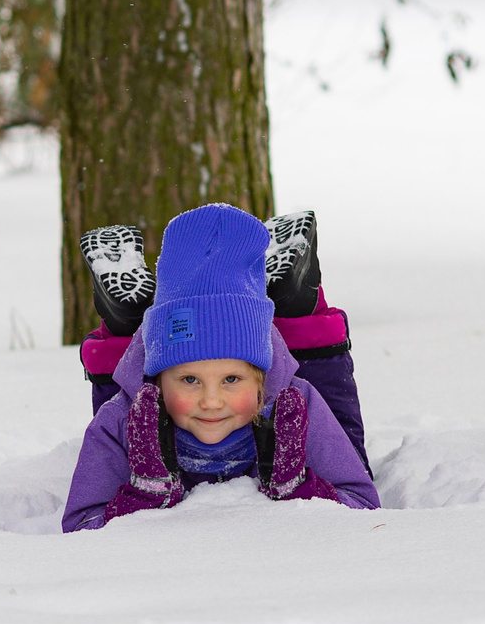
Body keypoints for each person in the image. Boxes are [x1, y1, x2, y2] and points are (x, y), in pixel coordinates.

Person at [65, 204, 379, 531]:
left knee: (327, 387)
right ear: (157, 379)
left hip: (278, 386)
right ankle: (125, 320)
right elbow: (79, 525)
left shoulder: (297, 405)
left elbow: (364, 504)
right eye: (190, 379)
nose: (211, 401)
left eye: (231, 379)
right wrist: (141, 498)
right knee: (123, 379)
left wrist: (300, 490)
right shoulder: (121, 418)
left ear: (261, 379)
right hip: (152, 382)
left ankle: (295, 299)